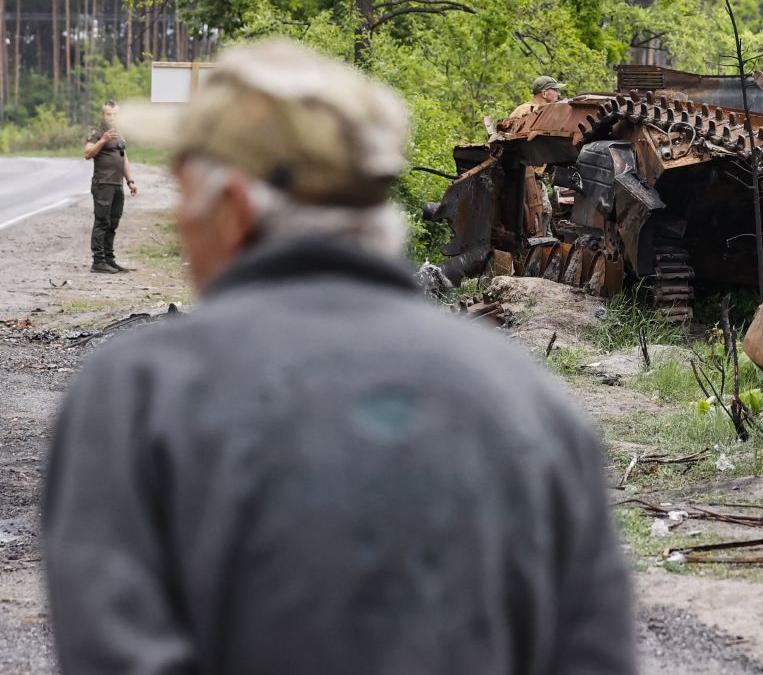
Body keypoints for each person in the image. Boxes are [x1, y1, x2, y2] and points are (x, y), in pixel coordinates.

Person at [44, 39, 634, 675]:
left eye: (188, 196)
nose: (182, 225)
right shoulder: (531, 401)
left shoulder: (140, 395)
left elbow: (114, 651)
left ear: (236, 210)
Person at [83, 100, 139, 273]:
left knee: (113, 222)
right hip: (103, 183)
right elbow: (87, 153)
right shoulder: (97, 132)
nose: (112, 118)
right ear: (103, 115)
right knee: (102, 221)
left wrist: (130, 181)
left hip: (117, 184)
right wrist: (103, 140)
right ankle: (98, 262)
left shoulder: (120, 133)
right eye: (109, 114)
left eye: (115, 114)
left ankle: (109, 259)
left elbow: (124, 158)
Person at [509, 76, 565, 236]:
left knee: (541, 214)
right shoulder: (528, 111)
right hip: (525, 176)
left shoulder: (540, 111)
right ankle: (537, 250)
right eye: (556, 90)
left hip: (531, 176)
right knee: (542, 213)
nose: (558, 95)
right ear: (545, 93)